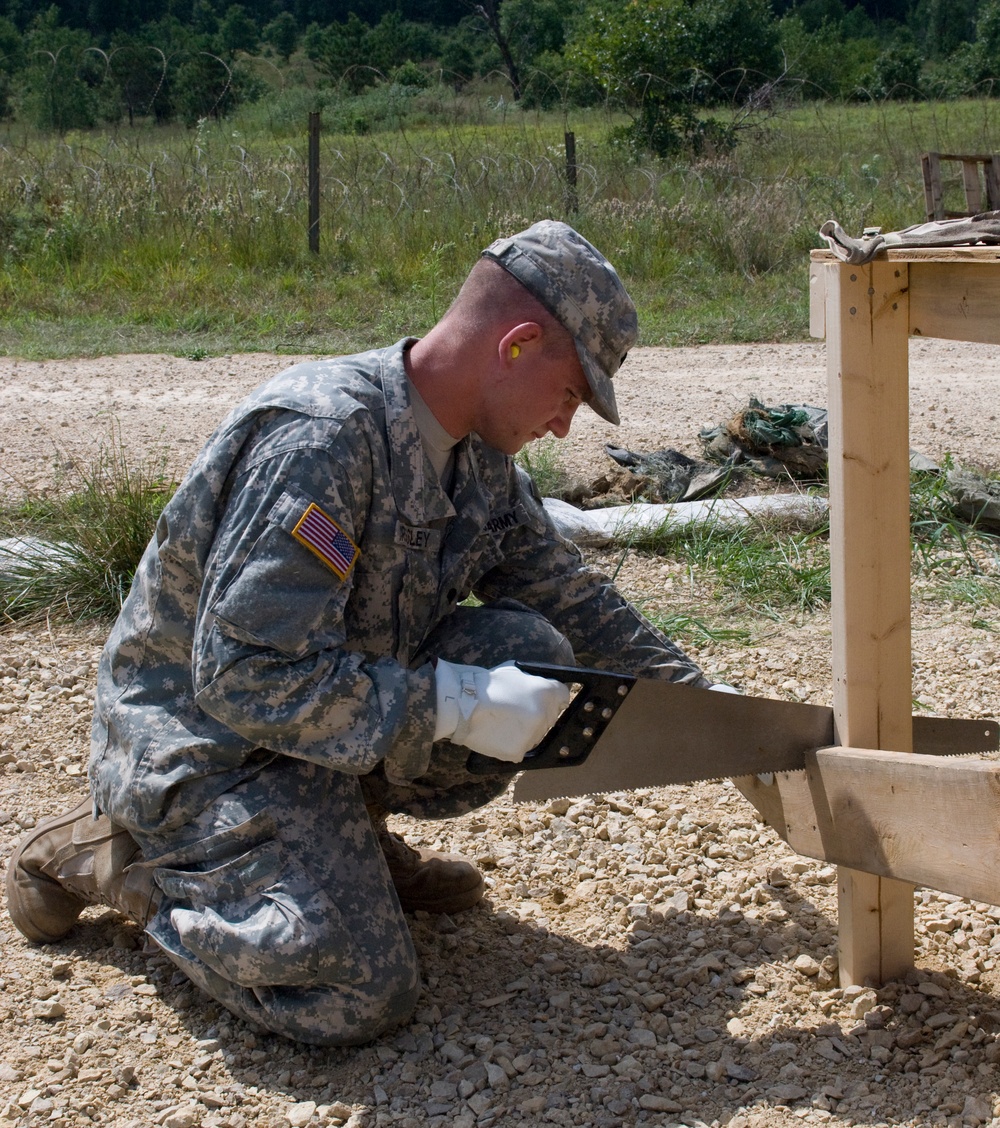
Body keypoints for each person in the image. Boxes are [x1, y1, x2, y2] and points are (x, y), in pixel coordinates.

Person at [6, 220, 717, 1046]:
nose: (564, 426)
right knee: (358, 987)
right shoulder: (321, 437)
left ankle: (341, 837)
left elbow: (563, 592)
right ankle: (125, 861)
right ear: (518, 344)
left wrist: (705, 701)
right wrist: (446, 704)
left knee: (531, 654)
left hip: (311, 732)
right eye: (569, 394)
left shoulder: (474, 453)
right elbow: (242, 678)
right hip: (206, 747)